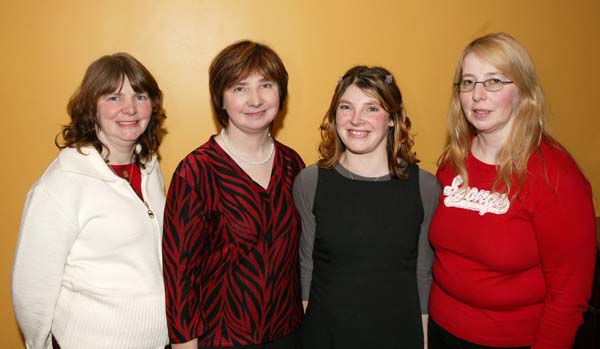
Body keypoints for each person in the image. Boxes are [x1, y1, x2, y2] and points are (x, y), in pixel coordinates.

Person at [428, 32, 597, 349]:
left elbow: (569, 295)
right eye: (468, 82)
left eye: (494, 81)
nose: (477, 95)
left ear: (523, 91)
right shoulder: (453, 161)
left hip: (512, 340)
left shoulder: (555, 176)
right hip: (442, 331)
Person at [11, 53, 169, 348]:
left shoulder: (149, 167)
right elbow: (31, 289)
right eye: (113, 97)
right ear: (90, 107)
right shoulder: (62, 183)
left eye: (140, 96)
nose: (130, 108)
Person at [162, 40, 304, 349]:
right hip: (221, 340)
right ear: (221, 100)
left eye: (266, 85)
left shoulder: (293, 165)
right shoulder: (196, 172)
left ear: (281, 93)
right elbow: (178, 276)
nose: (255, 99)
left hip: (290, 335)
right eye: (240, 88)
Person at [294, 65, 441, 348]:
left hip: (398, 336)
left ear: (392, 119)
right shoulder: (310, 182)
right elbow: (307, 268)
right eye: (346, 107)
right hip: (327, 337)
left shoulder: (424, 188)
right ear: (335, 116)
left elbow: (422, 275)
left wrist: (423, 342)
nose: (356, 119)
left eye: (372, 108)